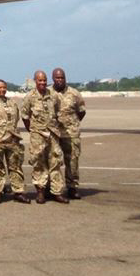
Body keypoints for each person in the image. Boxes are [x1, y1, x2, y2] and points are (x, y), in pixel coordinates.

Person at [21, 70, 68, 204]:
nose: (42, 83)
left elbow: (59, 112)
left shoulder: (53, 95)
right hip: (37, 135)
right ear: (35, 81)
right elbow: (25, 116)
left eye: (44, 80)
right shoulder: (30, 97)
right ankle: (40, 191)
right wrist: (33, 130)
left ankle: (56, 192)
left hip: (53, 135)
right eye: (40, 80)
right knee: (38, 164)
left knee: (55, 163)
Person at [0, 79, 29, 204]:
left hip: (12, 140)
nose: (2, 90)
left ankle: (18, 192)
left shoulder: (12, 103)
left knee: (15, 167)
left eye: (4, 87)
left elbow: (16, 119)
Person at [52, 67, 86, 199]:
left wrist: (72, 124)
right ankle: (54, 188)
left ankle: (72, 187)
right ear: (53, 78)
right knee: (53, 161)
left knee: (72, 161)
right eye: (57, 77)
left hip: (71, 134)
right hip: (54, 134)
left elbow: (81, 111)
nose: (60, 80)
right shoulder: (48, 92)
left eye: (62, 77)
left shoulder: (74, 93)